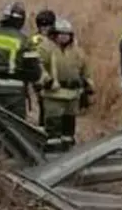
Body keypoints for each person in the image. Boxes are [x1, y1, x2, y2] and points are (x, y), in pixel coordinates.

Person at [0, 1, 42, 129]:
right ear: (21, 20)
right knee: (16, 131)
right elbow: (35, 74)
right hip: (14, 93)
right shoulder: (24, 41)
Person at [38, 18, 91, 153]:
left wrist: (88, 87)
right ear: (54, 34)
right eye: (60, 34)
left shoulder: (77, 51)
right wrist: (47, 80)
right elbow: (38, 67)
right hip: (53, 94)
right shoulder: (45, 48)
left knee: (69, 127)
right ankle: (53, 153)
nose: (64, 37)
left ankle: (68, 151)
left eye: (67, 34)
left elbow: (86, 70)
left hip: (72, 95)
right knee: (53, 126)